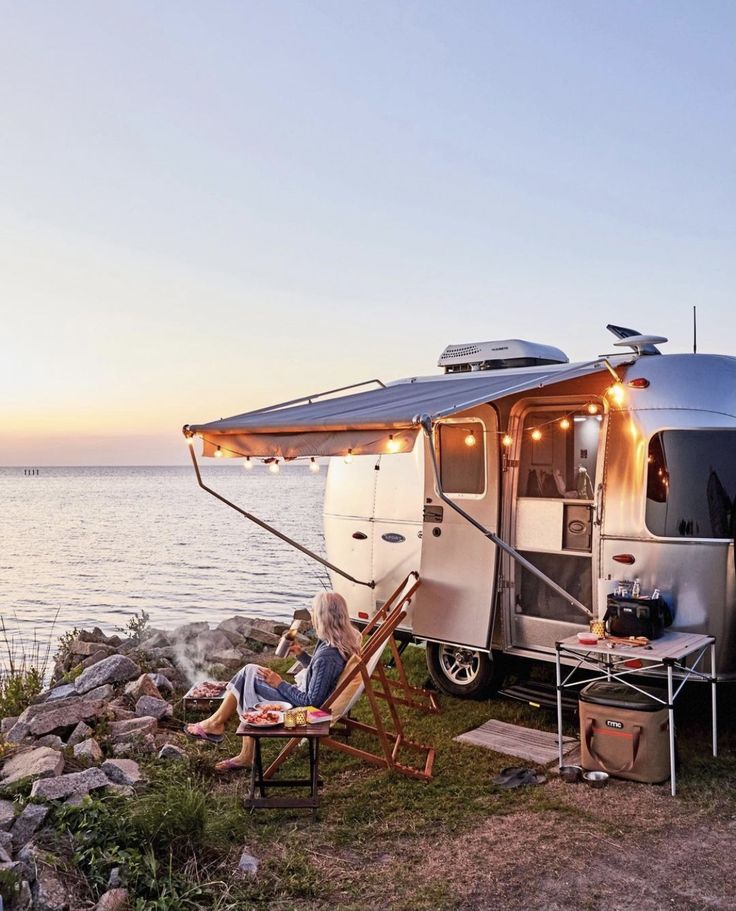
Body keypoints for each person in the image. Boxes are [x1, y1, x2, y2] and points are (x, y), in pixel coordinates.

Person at [185, 591, 361, 771]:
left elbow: (312, 702)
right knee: (250, 672)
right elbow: (320, 675)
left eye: (314, 611)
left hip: (305, 714)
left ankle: (222, 731)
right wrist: (302, 656)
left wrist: (279, 683)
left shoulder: (327, 656)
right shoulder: (335, 643)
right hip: (306, 700)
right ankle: (219, 726)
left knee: (249, 675)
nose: (312, 615)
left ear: (324, 617)